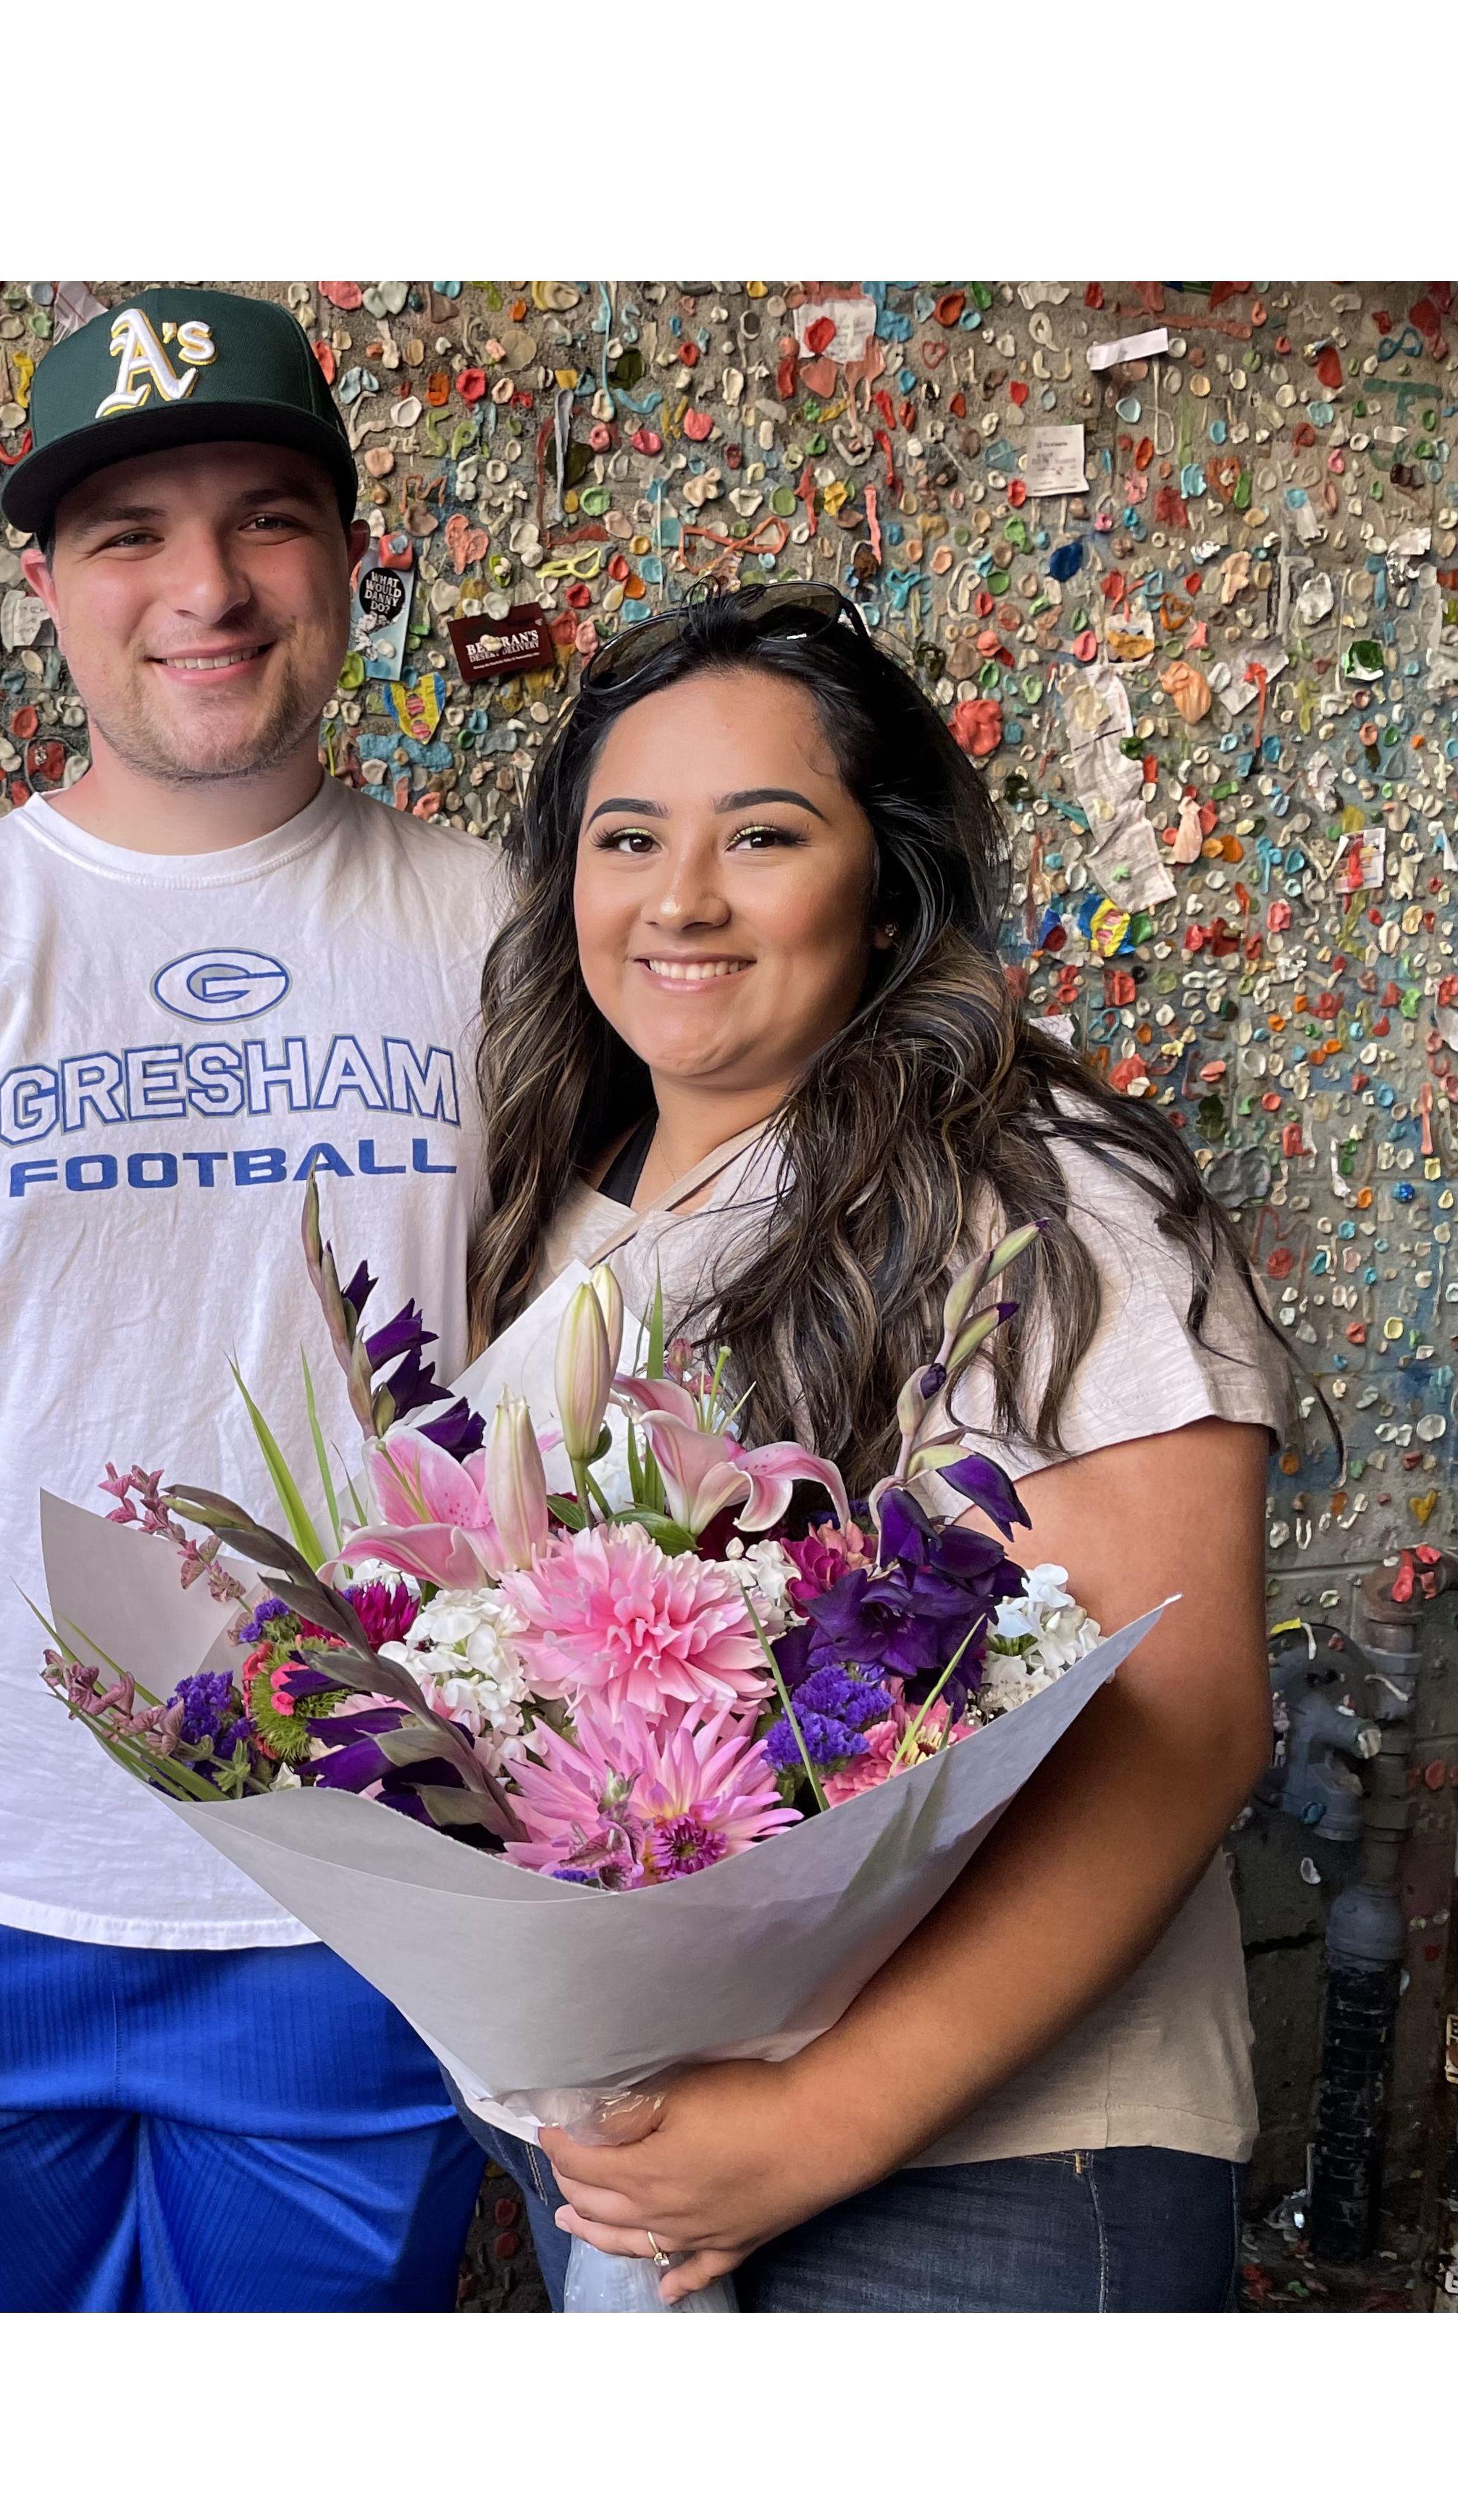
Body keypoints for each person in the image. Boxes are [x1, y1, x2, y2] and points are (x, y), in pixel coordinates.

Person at [0, 288, 503, 2309]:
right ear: (43, 583)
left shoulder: (509, 939)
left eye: (266, 519)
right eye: (130, 530)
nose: (204, 588)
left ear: (348, 559)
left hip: (371, 1899)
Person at [456, 582, 1296, 2311]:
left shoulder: (1043, 1196)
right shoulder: (567, 1206)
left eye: (760, 832)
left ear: (883, 877)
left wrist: (813, 2121)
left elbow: (1186, 1726)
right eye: (628, 839)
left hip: (980, 2162)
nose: (679, 897)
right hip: (641, 2154)